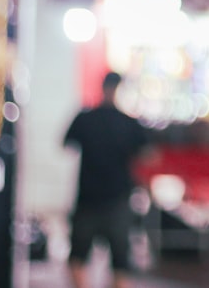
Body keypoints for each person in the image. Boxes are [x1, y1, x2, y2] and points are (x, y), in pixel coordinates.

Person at [63, 71, 148, 288]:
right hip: (117, 199)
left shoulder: (85, 118)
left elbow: (66, 144)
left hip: (88, 198)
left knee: (78, 258)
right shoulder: (129, 123)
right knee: (120, 263)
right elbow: (149, 155)